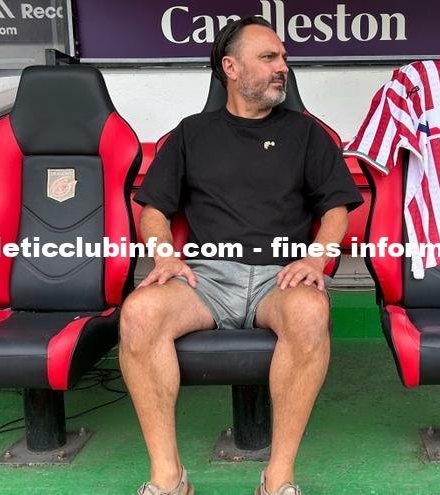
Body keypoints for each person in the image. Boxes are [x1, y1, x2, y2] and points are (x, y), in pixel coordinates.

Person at [121, 16, 363, 495]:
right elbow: (153, 212)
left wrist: (315, 259)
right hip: (205, 279)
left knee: (311, 314)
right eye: (269, 58)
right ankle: (168, 479)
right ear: (230, 67)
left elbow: (336, 211)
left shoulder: (307, 134)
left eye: (284, 59)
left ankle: (278, 480)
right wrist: (164, 256)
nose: (283, 68)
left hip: (281, 276)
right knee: (140, 312)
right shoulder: (190, 134)